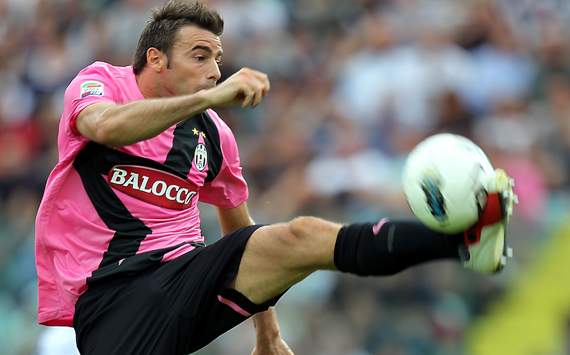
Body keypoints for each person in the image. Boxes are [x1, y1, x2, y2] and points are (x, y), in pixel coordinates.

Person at [34, 1, 516, 354]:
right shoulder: (101, 83)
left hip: (184, 277)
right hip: (111, 300)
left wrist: (268, 332)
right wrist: (209, 99)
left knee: (299, 235)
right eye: (200, 56)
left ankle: (464, 240)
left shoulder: (214, 137)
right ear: (156, 59)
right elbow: (103, 126)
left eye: (217, 59)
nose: (214, 71)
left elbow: (240, 231)